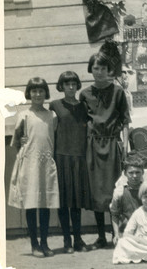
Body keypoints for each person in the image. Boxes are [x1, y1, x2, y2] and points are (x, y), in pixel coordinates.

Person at [80, 42, 131, 249]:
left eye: (102, 68)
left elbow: (126, 122)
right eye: (95, 68)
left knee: (114, 191)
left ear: (108, 70)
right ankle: (101, 235)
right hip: (92, 145)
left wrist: (125, 147)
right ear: (91, 70)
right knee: (96, 191)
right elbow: (82, 123)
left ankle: (115, 234)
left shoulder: (118, 92)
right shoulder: (84, 94)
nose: (99, 72)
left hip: (112, 144)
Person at [8, 77, 59, 257]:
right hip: (29, 165)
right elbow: (16, 142)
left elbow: (54, 139)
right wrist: (21, 141)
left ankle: (44, 243)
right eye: (34, 91)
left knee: (45, 205)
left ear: (46, 93)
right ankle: (34, 245)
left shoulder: (52, 116)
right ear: (29, 93)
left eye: (41, 91)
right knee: (31, 205)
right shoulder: (24, 115)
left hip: (46, 164)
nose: (37, 94)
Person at [49, 71, 91, 253]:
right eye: (67, 84)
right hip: (61, 157)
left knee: (76, 200)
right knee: (64, 200)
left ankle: (78, 238)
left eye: (74, 83)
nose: (71, 87)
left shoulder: (84, 106)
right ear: (61, 86)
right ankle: (66, 239)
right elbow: (50, 133)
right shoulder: (55, 105)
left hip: (79, 158)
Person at [110, 155, 145, 246]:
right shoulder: (119, 192)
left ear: (143, 172)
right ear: (125, 173)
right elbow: (114, 214)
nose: (134, 176)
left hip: (146, 228)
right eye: (131, 172)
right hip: (128, 229)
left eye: (138, 172)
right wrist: (116, 234)